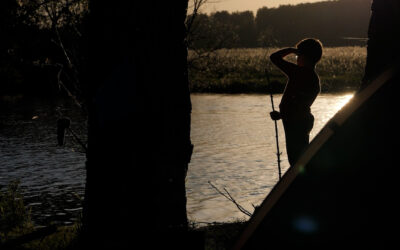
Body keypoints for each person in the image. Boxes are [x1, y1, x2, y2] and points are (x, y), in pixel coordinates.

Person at [269, 38, 322, 166]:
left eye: (298, 55)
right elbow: (299, 105)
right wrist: (282, 114)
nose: (296, 58)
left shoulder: (299, 72)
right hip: (300, 121)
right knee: (300, 159)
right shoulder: (313, 78)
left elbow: (274, 57)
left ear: (305, 56)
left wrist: (291, 50)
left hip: (295, 124)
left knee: (296, 161)